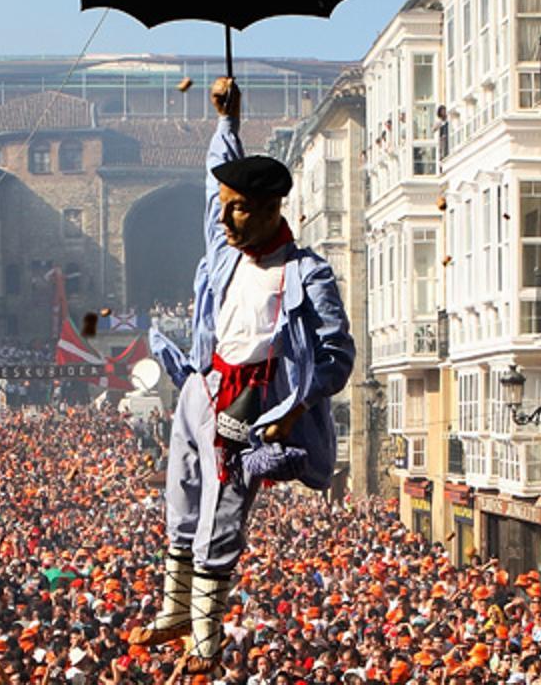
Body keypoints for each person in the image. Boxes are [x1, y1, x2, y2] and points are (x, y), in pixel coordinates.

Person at [138, 77, 355, 677]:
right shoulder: (225, 249)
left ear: (269, 210)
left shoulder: (306, 273)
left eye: (239, 209)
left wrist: (292, 409)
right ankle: (176, 606)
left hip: (252, 402)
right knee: (181, 491)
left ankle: (206, 627)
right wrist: (228, 121)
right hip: (201, 384)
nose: (227, 219)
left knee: (222, 507)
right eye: (226, 207)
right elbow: (218, 181)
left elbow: (336, 353)